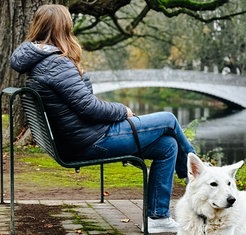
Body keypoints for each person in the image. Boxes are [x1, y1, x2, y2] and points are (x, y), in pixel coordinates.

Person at [9, 4, 195, 233]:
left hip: (81, 138)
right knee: (168, 119)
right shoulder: (56, 63)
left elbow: (81, 103)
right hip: (91, 140)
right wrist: (122, 110)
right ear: (63, 28)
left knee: (167, 145)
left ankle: (158, 217)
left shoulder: (41, 61)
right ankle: (197, 176)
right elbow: (89, 107)